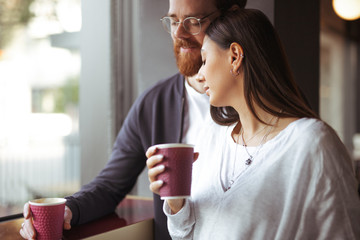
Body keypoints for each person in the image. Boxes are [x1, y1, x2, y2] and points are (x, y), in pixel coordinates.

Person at [19, 0, 247, 239]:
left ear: (230, 18)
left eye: (193, 22)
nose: (178, 33)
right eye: (173, 21)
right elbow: (109, 185)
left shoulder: (260, 108)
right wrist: (67, 208)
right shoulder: (154, 104)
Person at [146, 8, 360, 239]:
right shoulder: (211, 136)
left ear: (235, 56)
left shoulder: (313, 144)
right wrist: (176, 201)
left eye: (205, 60)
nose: (199, 75)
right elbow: (185, 235)